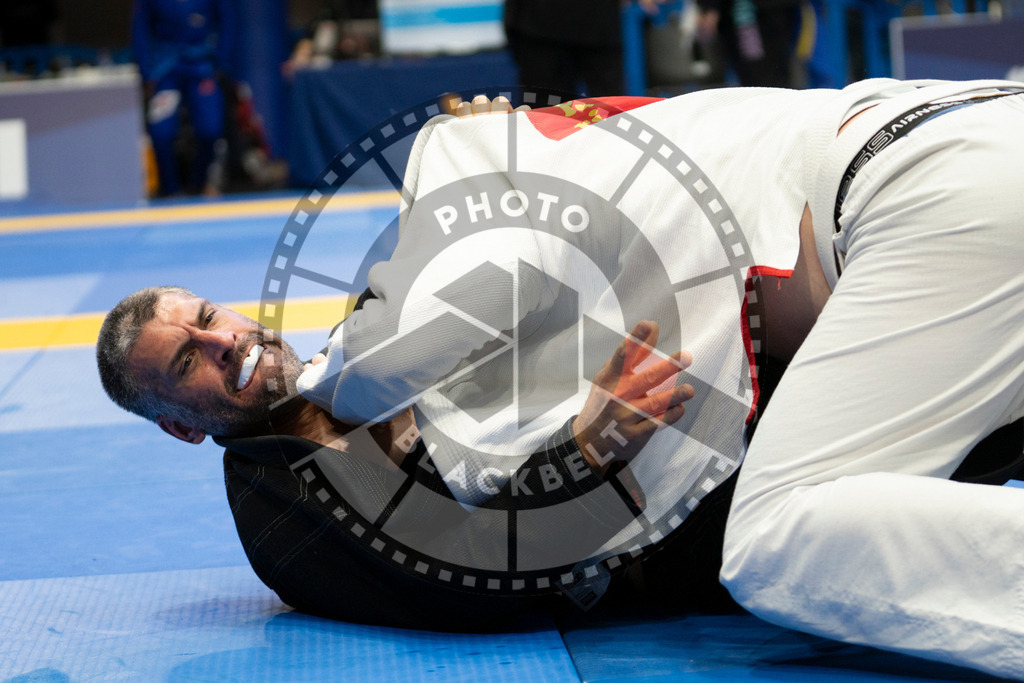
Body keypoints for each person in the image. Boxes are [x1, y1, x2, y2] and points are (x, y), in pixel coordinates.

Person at [98, 81, 1024, 679]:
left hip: (909, 212)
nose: (222, 342)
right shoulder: (286, 509)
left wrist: (587, 448)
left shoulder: (379, 336)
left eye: (208, 317)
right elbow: (470, 575)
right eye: (187, 359)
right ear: (180, 425)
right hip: (946, 141)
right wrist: (582, 458)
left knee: (782, 539)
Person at [132, 0, 235, 197]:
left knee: (210, 130)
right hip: (165, 69)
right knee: (161, 133)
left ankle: (198, 183)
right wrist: (147, 72)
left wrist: (220, 62)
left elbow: (227, 20)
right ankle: (170, 190)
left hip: (201, 66)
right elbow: (141, 27)